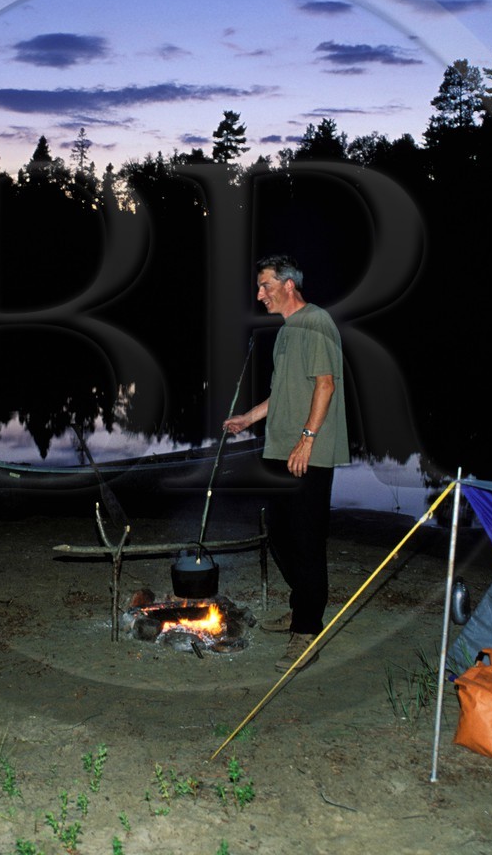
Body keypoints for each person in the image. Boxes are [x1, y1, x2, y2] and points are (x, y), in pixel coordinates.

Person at [224, 254, 349, 672]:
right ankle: (301, 609)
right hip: (280, 448)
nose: (259, 294)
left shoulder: (317, 323)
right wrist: (249, 418)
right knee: (279, 532)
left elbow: (326, 385)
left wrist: (307, 440)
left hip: (307, 452)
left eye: (265, 286)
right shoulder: (286, 332)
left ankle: (309, 632)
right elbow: (283, 394)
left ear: (289, 285)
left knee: (307, 539)